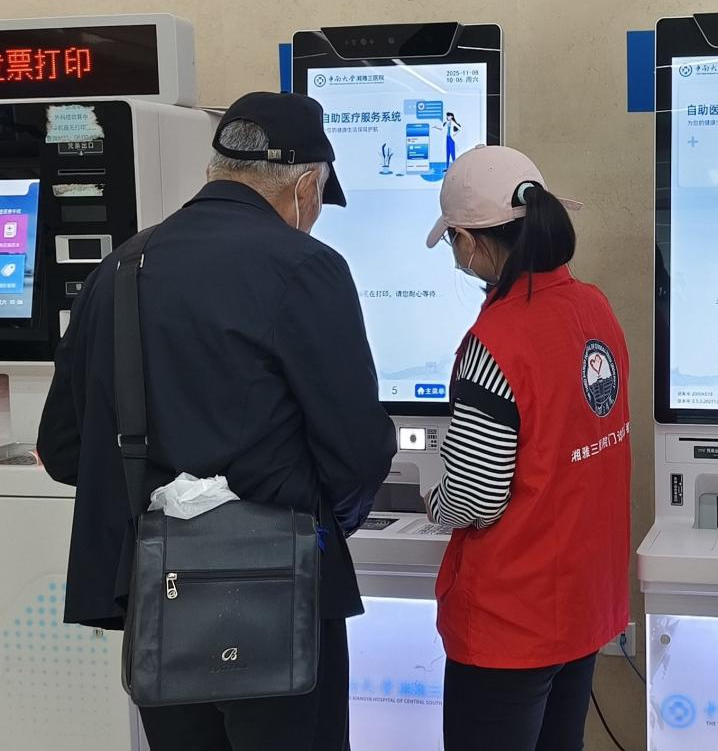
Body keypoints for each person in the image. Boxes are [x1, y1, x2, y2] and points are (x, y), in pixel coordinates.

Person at [36, 92, 397, 751]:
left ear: (215, 171)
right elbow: (358, 449)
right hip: (283, 593)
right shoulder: (306, 267)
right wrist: (323, 526)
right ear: (306, 186)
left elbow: (62, 449)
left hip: (162, 601)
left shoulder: (118, 269)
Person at [422, 145, 631, 751]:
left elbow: (474, 496)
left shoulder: (495, 342)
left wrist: (431, 502)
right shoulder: (594, 307)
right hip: (583, 601)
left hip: (510, 620)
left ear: (470, 241)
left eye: (454, 241)